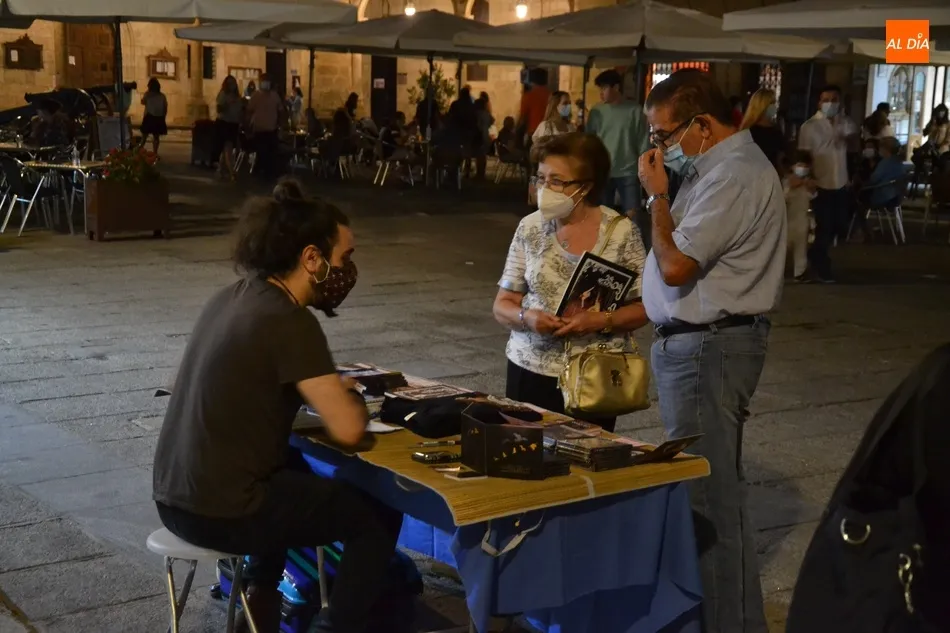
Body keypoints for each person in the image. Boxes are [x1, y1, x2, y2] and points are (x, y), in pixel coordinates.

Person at [152, 180, 403, 633]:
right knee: (377, 515)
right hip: (219, 513)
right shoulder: (289, 320)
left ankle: (260, 601)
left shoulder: (234, 296)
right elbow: (349, 430)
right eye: (344, 258)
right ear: (312, 258)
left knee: (289, 470)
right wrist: (345, 394)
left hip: (173, 498)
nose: (348, 271)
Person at [637, 69, 786, 633]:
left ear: (701, 124)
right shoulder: (715, 171)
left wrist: (657, 197)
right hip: (703, 346)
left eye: (664, 135)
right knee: (710, 495)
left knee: (709, 501)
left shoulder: (735, 176)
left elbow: (677, 264)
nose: (659, 148)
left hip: (710, 349)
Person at [493, 132, 648, 433]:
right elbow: (502, 305)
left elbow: (644, 308)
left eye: (557, 181)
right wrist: (527, 318)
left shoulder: (622, 233)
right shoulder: (530, 227)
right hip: (529, 368)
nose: (545, 188)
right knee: (526, 451)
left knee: (587, 454)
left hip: (593, 375)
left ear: (585, 186)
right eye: (541, 178)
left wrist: (600, 320)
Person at [798, 85, 858, 283]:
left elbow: (854, 147)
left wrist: (848, 138)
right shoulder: (810, 126)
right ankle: (822, 266)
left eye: (834, 99)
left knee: (839, 224)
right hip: (820, 182)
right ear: (819, 102)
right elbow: (804, 155)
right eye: (826, 100)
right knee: (824, 226)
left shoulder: (846, 123)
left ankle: (815, 255)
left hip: (840, 181)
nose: (830, 103)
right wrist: (808, 177)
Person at [587, 69, 651, 248]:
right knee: (603, 215)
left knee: (633, 215)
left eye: (604, 88)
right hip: (603, 171)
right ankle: (603, 250)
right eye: (600, 88)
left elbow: (643, 141)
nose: (601, 93)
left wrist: (644, 168)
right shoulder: (597, 112)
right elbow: (589, 141)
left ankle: (636, 251)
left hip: (628, 170)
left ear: (616, 87)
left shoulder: (634, 111)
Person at [784, 151, 817, 282]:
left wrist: (810, 187)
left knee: (801, 247)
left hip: (803, 219)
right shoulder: (786, 182)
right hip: (787, 219)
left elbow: (813, 196)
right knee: (783, 247)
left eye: (805, 165)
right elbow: (783, 197)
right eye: (799, 165)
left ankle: (800, 273)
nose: (802, 168)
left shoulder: (809, 183)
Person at [246, 73, 285, 181]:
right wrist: (248, 126)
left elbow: (281, 111)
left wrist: (281, 125)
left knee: (271, 153)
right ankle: (261, 172)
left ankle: (269, 173)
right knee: (262, 152)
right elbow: (249, 111)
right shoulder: (256, 95)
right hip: (259, 129)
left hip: (271, 129)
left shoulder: (274, 96)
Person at [740, 88, 785, 172]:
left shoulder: (776, 131)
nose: (774, 107)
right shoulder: (748, 131)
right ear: (762, 106)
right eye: (772, 103)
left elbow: (780, 161)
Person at [860, 136, 906, 209]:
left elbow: (873, 179)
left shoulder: (884, 163)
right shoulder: (899, 162)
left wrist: (862, 184)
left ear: (885, 149)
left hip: (882, 198)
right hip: (897, 197)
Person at [215, 75, 243, 181]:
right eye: (230, 83)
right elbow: (219, 109)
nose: (232, 85)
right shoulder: (223, 94)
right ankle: (232, 172)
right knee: (228, 147)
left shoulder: (237, 96)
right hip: (224, 123)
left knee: (227, 148)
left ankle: (222, 169)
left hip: (233, 123)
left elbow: (239, 110)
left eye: (233, 83)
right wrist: (227, 104)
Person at [518, 67, 551, 140]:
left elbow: (522, 118)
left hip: (534, 133)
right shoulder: (552, 96)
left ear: (532, 81)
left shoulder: (529, 96)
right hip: (548, 133)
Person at [140, 78, 168, 156]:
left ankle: (139, 150)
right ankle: (155, 152)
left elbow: (142, 102)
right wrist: (163, 116)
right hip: (159, 117)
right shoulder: (162, 96)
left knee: (144, 136)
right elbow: (165, 107)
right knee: (156, 136)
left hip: (149, 117)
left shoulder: (148, 94)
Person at [474, 95, 495, 180]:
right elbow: (492, 120)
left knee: (479, 156)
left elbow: (477, 125)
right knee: (483, 156)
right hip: (485, 135)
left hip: (479, 135)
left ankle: (479, 173)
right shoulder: (486, 114)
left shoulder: (477, 114)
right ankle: (482, 173)